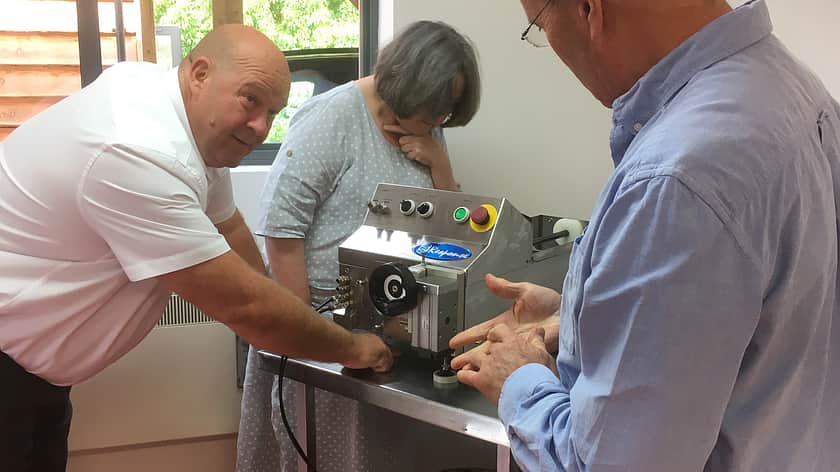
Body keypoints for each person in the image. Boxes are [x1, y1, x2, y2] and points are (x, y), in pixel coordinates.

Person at [450, 0, 840, 471]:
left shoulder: (676, 180)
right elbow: (761, 327)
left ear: (589, 10)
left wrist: (521, 377)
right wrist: (578, 317)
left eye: (539, 25)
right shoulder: (794, 90)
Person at [0, 24, 393, 472]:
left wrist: (292, 313)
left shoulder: (184, 122)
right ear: (200, 74)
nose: (261, 127)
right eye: (251, 99)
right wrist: (353, 348)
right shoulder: (134, 149)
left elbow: (230, 228)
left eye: (273, 112)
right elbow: (247, 307)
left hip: (38, 377)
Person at [236, 20, 482, 472]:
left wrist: (440, 164)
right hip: (323, 321)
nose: (440, 121)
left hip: (393, 315)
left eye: (445, 114)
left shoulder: (427, 126)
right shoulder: (333, 117)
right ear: (405, 86)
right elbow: (282, 229)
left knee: (372, 454)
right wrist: (310, 334)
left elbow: (452, 231)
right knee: (316, 448)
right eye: (433, 112)